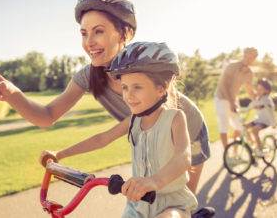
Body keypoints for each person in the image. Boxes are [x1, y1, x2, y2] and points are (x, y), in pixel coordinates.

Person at [0, 0, 209, 194]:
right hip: (146, 137)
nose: (89, 42)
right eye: (84, 33)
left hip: (186, 136)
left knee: (176, 203)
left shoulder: (145, 65)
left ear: (125, 34)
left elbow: (169, 120)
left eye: (98, 31)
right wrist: (9, 92)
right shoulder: (90, 75)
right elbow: (47, 116)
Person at [41, 42, 198, 218]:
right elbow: (101, 139)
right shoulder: (133, 121)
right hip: (137, 206)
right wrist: (59, 154)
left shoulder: (175, 118)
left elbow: (183, 157)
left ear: (161, 89)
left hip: (172, 204)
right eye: (125, 87)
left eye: (137, 87)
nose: (129, 95)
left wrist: (154, 182)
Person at [214, 47, 258, 148]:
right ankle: (227, 153)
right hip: (222, 98)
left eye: (253, 57)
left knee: (239, 126)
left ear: (254, 59)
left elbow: (250, 91)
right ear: (244, 55)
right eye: (248, 56)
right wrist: (231, 102)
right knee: (224, 127)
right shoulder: (232, 66)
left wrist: (259, 100)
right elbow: (224, 85)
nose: (250, 59)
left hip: (233, 99)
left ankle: (234, 151)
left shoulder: (250, 73)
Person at [241, 78, 276, 156]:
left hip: (266, 121)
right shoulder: (256, 99)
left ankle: (260, 151)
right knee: (244, 127)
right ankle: (253, 143)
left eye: (261, 89)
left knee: (254, 130)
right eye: (257, 89)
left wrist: (263, 106)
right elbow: (248, 107)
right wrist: (239, 110)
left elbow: (269, 105)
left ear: (266, 91)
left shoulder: (266, 99)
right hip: (258, 120)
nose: (258, 91)